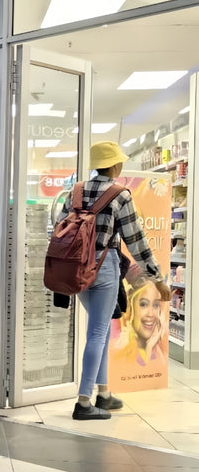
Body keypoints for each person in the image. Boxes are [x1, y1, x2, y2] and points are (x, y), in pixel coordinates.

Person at [57, 141, 167, 420]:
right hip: (103, 268)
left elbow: (59, 229)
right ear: (115, 165)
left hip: (74, 270)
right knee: (97, 332)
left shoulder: (76, 191)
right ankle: (83, 402)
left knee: (101, 329)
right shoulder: (120, 194)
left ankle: (103, 394)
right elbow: (136, 241)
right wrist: (156, 278)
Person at [114, 272, 170, 365]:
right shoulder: (118, 349)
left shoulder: (160, 353)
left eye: (156, 305)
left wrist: (150, 347)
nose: (150, 314)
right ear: (131, 306)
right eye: (143, 304)